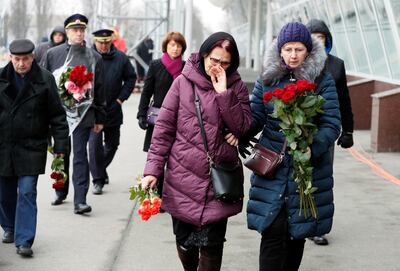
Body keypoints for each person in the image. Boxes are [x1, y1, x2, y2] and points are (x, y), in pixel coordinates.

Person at [140, 32, 252, 271]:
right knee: (185, 243)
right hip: (183, 177)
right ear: (203, 55)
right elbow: (164, 130)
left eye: (224, 63)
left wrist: (224, 94)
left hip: (218, 179)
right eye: (214, 59)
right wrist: (152, 171)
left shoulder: (237, 87)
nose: (217, 67)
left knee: (212, 247)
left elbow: (243, 127)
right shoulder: (182, 83)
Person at [243, 22, 341, 270]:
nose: (293, 55)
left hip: (307, 171)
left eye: (299, 49)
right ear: (280, 50)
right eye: (288, 49)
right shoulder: (267, 79)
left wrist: (312, 147)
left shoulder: (322, 80)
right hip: (272, 169)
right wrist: (236, 129)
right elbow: (255, 118)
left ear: (308, 51)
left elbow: (331, 124)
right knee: (272, 232)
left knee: (297, 233)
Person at [0, 39, 69, 256]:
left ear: (33, 57)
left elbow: (57, 116)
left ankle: (24, 240)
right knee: (4, 194)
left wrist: (60, 147)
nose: (21, 63)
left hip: (32, 146)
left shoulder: (45, 79)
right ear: (10, 58)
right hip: (4, 146)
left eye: (25, 59)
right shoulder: (1, 78)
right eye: (17, 59)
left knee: (28, 191)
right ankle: (10, 227)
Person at [41, 14, 106, 214]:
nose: (78, 33)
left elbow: (100, 89)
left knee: (80, 156)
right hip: (58, 115)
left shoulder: (94, 57)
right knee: (60, 154)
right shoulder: (53, 54)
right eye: (74, 30)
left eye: (81, 30)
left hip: (83, 115)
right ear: (67, 31)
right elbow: (43, 82)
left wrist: (100, 117)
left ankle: (80, 200)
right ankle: (60, 191)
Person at [306, 18, 354, 246]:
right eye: (313, 36)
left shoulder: (336, 65)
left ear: (327, 39)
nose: (317, 40)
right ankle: (300, 220)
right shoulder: (298, 62)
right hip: (298, 129)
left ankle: (318, 227)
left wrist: (348, 131)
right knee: (298, 178)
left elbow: (344, 99)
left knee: (321, 178)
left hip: (326, 130)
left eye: (321, 37)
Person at [137, 31, 186, 197]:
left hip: (181, 117)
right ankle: (156, 193)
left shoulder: (187, 68)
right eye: (172, 45)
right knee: (157, 155)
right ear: (166, 46)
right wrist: (141, 114)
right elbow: (146, 92)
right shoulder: (156, 65)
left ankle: (171, 193)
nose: (175, 49)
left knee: (176, 156)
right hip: (159, 118)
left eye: (179, 46)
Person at [88, 29, 136, 194]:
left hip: (113, 109)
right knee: (94, 146)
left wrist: (120, 99)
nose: (103, 45)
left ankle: (99, 169)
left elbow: (131, 78)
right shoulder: (88, 56)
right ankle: (98, 180)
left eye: (106, 42)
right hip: (93, 110)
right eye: (100, 42)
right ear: (94, 41)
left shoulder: (121, 58)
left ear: (111, 42)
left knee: (112, 145)